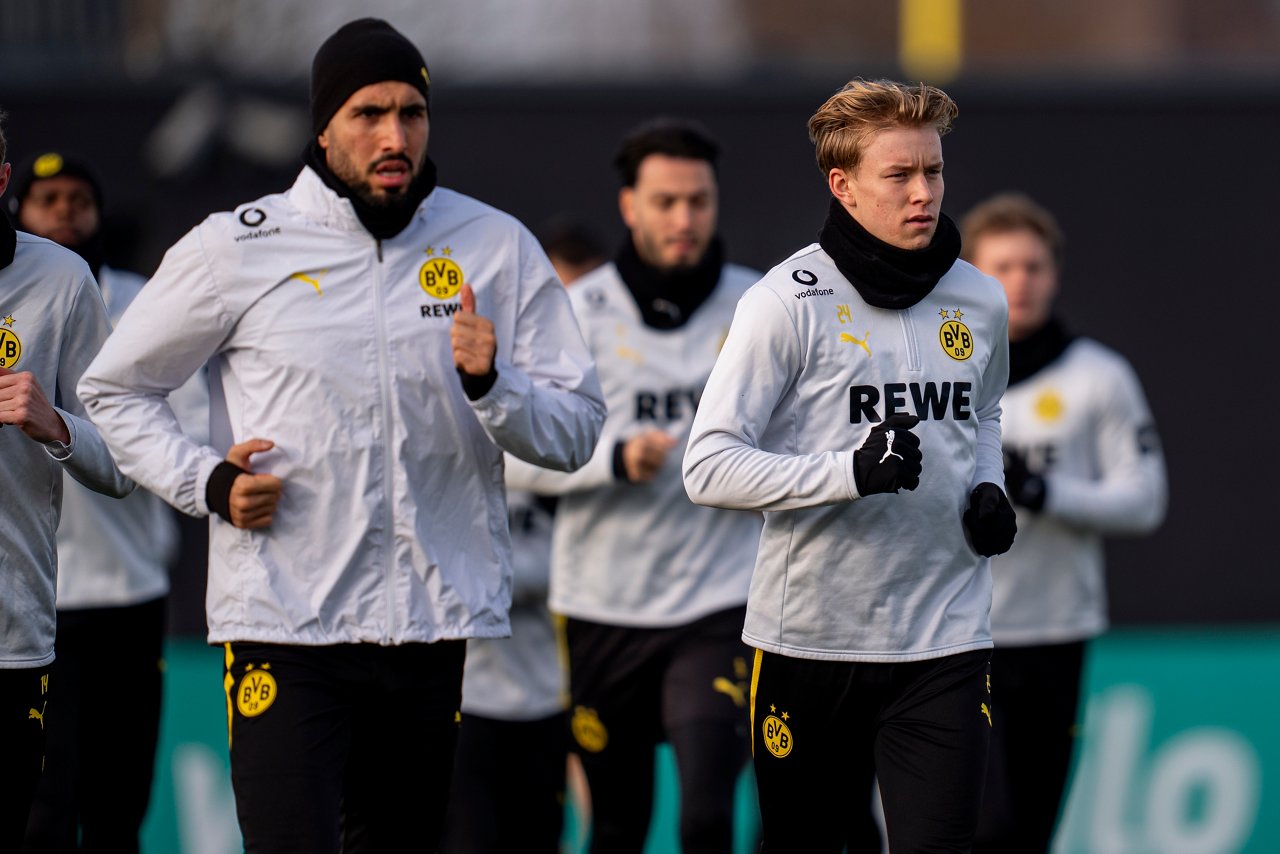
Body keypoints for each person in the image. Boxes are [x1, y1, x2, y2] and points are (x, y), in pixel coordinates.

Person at [77, 18, 605, 853]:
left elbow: (576, 430)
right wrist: (206, 482)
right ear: (323, 127)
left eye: (411, 112)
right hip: (285, 626)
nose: (394, 135)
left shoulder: (494, 245)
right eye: (368, 113)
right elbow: (112, 388)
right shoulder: (235, 247)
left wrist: (492, 386)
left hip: (431, 627)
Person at [683, 79, 1017, 853]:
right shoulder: (785, 303)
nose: (923, 193)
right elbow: (708, 467)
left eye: (932, 172)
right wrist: (846, 472)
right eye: (898, 176)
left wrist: (988, 483)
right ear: (844, 185)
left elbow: (985, 413)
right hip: (810, 644)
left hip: (945, 639)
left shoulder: (981, 300)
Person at [505, 119, 762, 854]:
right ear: (629, 206)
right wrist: (614, 459)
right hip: (600, 606)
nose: (684, 219)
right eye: (666, 201)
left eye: (699, 201)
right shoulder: (572, 315)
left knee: (707, 817)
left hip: (721, 601)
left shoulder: (760, 308)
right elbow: (511, 458)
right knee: (616, 826)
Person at [8, 149, 207, 854]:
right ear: (20, 206)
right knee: (46, 809)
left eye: (79, 199)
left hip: (129, 589)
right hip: (41, 595)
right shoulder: (23, 290)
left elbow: (183, 429)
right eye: (48, 198)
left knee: (119, 803)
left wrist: (73, 427)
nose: (65, 211)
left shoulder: (143, 303)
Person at [961, 193, 1168, 853]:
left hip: (1056, 631)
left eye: (1034, 266)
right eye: (1002, 266)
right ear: (971, 274)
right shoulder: (945, 371)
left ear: (1054, 274)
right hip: (959, 634)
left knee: (1026, 833)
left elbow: (1144, 501)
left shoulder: (1098, 377)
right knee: (977, 828)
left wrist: (1045, 491)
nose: (1019, 281)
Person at [441, 227, 604, 854]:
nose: (576, 318)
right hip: (458, 694)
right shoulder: (471, 394)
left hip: (549, 692)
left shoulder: (580, 420)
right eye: (560, 300)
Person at [0, 111, 133, 851]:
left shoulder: (59, 279)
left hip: (13, 641)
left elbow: (121, 461)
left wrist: (56, 425)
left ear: (1, 179)